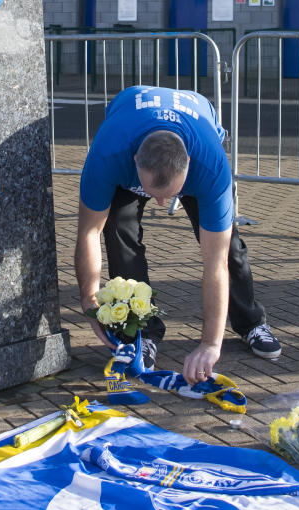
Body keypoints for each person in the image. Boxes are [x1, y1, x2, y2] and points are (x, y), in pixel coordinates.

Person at [75, 85, 281, 386]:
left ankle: (251, 323)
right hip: (128, 128)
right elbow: (87, 233)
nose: (160, 203)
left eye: (169, 195)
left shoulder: (210, 166)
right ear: (134, 162)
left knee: (230, 250)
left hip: (195, 125)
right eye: (152, 193)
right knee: (119, 235)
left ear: (188, 167)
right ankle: (142, 333)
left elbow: (216, 264)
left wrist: (211, 344)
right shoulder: (109, 153)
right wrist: (89, 301)